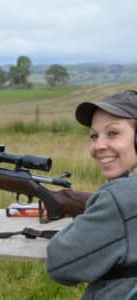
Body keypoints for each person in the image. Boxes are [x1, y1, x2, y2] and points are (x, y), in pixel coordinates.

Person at [46, 90, 137, 300]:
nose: (98, 146)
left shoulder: (120, 197)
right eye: (94, 136)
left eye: (113, 133)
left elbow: (59, 264)